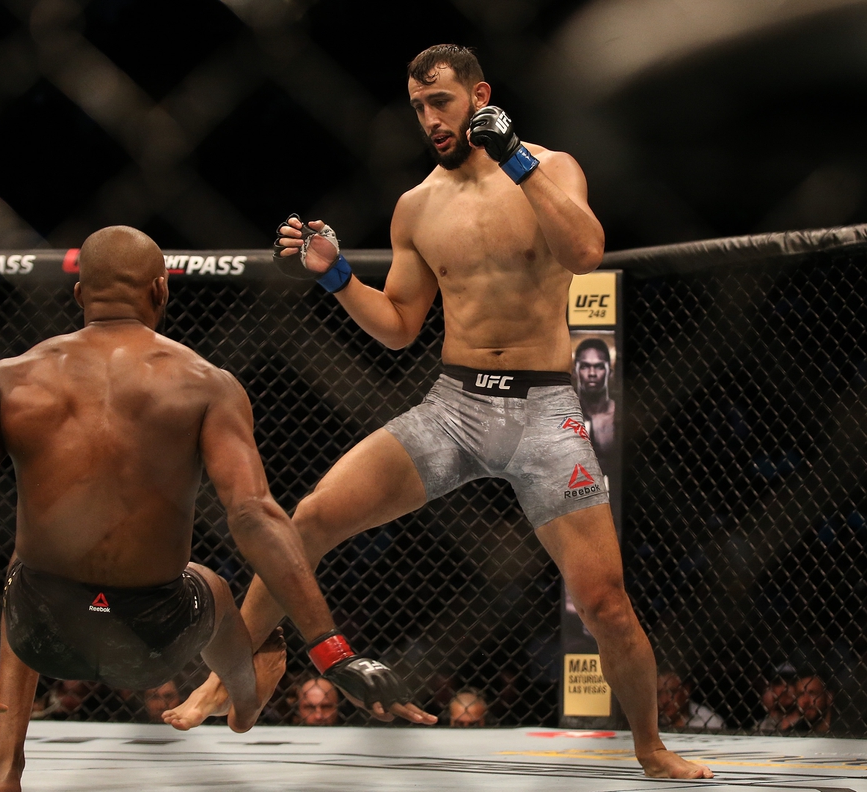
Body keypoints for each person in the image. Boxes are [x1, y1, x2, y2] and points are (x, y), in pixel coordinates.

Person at [176, 44, 712, 780]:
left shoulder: (551, 168)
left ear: (479, 95)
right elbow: (398, 325)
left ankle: (650, 747)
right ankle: (233, 674)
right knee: (308, 518)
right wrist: (334, 276)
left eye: (442, 102)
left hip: (544, 413)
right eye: (419, 107)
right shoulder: (416, 207)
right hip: (453, 408)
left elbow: (587, 250)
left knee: (605, 604)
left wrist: (517, 159)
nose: (430, 119)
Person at [0, 226, 432, 791]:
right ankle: (242, 694)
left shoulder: (11, 377)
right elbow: (253, 515)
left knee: (26, 563)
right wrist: (333, 652)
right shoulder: (206, 383)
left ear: (79, 295)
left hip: (43, 628)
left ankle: (6, 767)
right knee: (212, 581)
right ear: (161, 291)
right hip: (156, 634)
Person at [573, 338, 617, 460]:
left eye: (599, 366)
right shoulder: (566, 414)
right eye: (585, 366)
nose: (592, 373)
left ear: (610, 372)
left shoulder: (620, 413)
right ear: (575, 372)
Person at [656, 671, 724, 732]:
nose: (664, 700)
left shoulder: (709, 721)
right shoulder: (651, 720)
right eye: (659, 693)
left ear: (686, 690)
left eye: (672, 692)